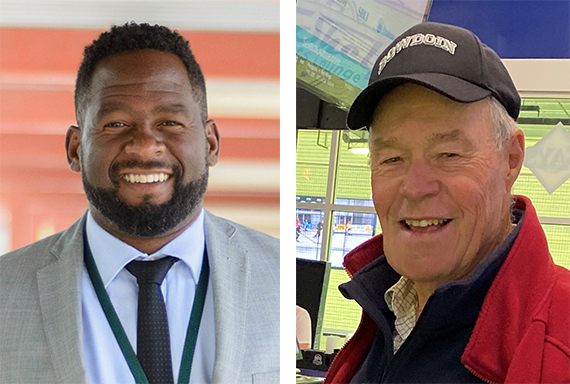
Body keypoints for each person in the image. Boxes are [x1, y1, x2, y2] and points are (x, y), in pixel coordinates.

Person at [0, 23, 279, 384]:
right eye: (116, 124)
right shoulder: (6, 291)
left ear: (210, 143)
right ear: (75, 150)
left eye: (170, 121)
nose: (146, 146)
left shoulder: (276, 276)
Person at [325, 22, 570, 384]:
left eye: (448, 153)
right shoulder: (381, 316)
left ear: (511, 159)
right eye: (392, 158)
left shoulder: (558, 345)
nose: (415, 187)